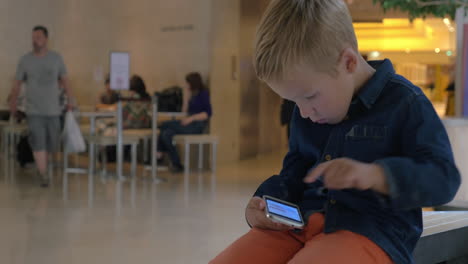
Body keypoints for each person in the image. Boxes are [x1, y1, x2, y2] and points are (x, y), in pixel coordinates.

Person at [210, 1, 460, 264]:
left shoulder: (405, 103)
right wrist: (264, 203)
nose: (304, 112)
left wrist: (377, 175)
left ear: (349, 62)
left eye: (309, 97)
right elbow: (295, 173)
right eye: (295, 102)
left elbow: (443, 180)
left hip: (369, 233)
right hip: (298, 227)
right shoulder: (310, 110)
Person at [9, 25, 73, 187]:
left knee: (52, 143)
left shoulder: (56, 58)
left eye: (38, 37)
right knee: (38, 141)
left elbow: (65, 80)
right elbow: (17, 83)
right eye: (33, 37)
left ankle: (44, 166)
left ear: (46, 39)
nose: (35, 40)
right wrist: (13, 102)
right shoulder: (25, 60)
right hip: (33, 110)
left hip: (53, 110)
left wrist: (71, 99)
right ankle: (43, 173)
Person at [157, 72, 212, 172]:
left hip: (197, 125)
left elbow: (208, 113)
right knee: (166, 134)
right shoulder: (191, 94)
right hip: (188, 123)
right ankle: (177, 164)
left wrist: (191, 118)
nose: (186, 85)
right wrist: (186, 98)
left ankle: (159, 154)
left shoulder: (203, 93)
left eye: (187, 83)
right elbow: (184, 112)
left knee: (163, 125)